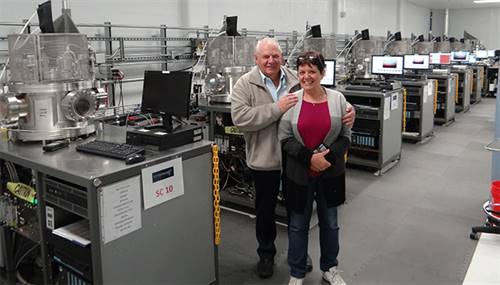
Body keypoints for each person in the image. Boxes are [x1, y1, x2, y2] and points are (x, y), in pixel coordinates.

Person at [231, 38, 355, 279]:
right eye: (265, 56)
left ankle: (298, 255)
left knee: (297, 211)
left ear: (282, 58)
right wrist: (277, 108)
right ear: (256, 59)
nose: (271, 61)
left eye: (275, 56)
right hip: (266, 157)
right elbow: (240, 118)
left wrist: (350, 109)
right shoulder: (245, 84)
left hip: (295, 161)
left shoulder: (293, 77)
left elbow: (321, 94)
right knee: (266, 209)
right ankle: (266, 254)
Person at [278, 51, 351, 285]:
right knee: (298, 225)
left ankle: (330, 267)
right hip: (299, 173)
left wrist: (326, 157)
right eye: (302, 72)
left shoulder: (338, 99)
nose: (306, 76)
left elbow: (345, 136)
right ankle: (297, 272)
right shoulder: (292, 100)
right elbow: (285, 139)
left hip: (331, 172)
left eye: (312, 71)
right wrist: (310, 158)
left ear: (322, 73)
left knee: (330, 223)